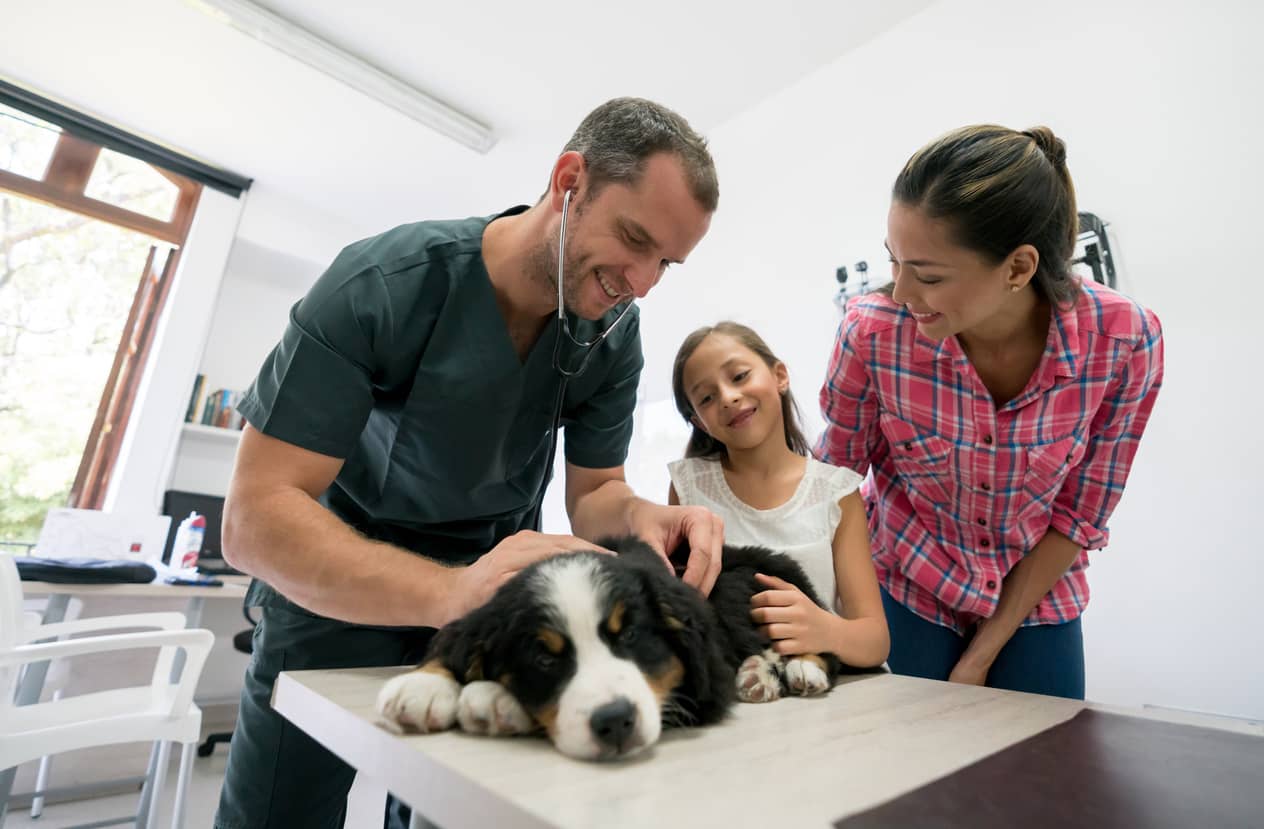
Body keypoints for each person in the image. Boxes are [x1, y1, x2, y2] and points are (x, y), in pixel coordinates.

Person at [214, 97, 727, 829]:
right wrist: (451, 590)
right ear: (569, 181)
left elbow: (598, 494)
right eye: (634, 239)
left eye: (665, 263)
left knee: (449, 814)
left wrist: (649, 514)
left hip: (494, 604)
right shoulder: (382, 285)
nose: (641, 282)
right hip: (337, 594)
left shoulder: (613, 331)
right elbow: (255, 519)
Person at [816, 125, 1164, 699]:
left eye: (927, 275)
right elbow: (836, 486)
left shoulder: (1125, 341)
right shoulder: (872, 332)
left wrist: (985, 650)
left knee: (1038, 767)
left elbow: (1080, 514)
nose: (899, 292)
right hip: (907, 572)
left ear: (1018, 269)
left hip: (1035, 589)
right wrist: (838, 617)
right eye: (894, 262)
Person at [668, 321, 889, 670]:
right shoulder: (688, 488)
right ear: (698, 421)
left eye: (739, 376)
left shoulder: (837, 493)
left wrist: (825, 630)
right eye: (707, 397)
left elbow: (875, 642)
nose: (728, 397)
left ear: (780, 376)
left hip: (830, 690)